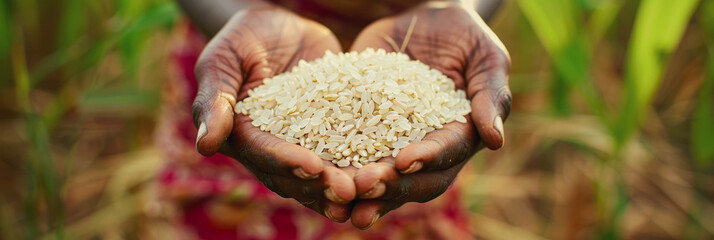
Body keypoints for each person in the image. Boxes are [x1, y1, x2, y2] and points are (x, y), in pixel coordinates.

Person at [159, 0, 511, 238]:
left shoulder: (425, 90)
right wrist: (235, 15)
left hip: (431, 50)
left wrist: (460, 8)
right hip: (251, 60)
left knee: (410, 186)